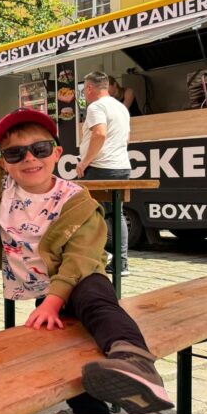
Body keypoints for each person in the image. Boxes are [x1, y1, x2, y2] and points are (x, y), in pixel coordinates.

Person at [0, 109, 172, 414]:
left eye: (39, 149)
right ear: (3, 162)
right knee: (78, 383)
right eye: (15, 154)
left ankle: (136, 360)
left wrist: (54, 299)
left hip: (77, 285)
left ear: (56, 153)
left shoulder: (76, 199)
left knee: (98, 296)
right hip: (44, 298)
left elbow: (82, 258)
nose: (28, 158)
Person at [76, 71, 132, 276]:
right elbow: (126, 139)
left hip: (101, 167)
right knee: (116, 214)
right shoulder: (121, 107)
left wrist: (85, 162)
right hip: (121, 166)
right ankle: (121, 263)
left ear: (89, 88)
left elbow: (99, 133)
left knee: (92, 214)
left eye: (85, 90)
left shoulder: (96, 107)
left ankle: (100, 258)